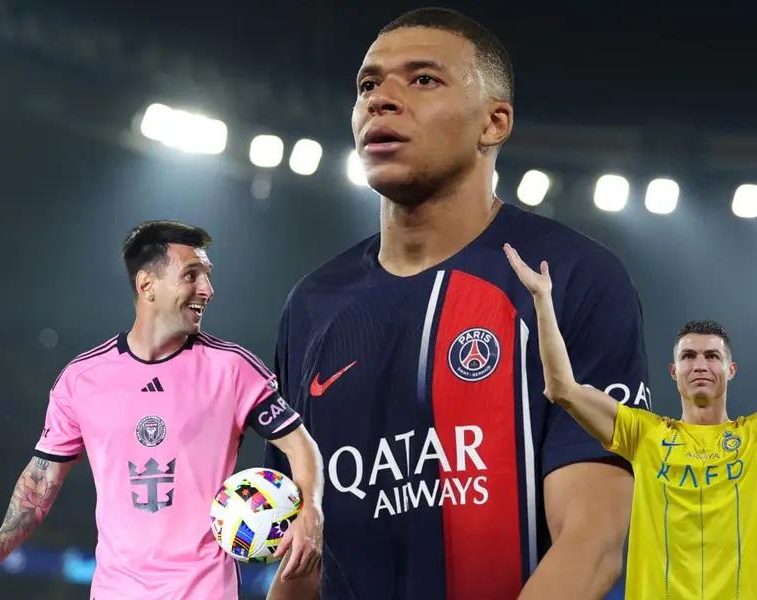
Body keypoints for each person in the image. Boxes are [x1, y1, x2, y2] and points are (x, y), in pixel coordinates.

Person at [265, 8, 651, 600]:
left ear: (494, 123)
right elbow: (300, 561)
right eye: (368, 84)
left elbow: (593, 543)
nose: (381, 100)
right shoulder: (313, 306)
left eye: (423, 80)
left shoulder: (572, 278)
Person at [504, 239, 757, 599]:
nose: (700, 364)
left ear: (731, 369)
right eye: (689, 356)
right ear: (674, 371)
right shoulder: (642, 435)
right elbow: (562, 389)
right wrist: (543, 300)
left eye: (712, 356)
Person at [0, 221, 324, 600]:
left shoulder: (231, 368)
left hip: (204, 592)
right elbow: (41, 480)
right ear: (146, 285)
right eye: (191, 275)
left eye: (208, 277)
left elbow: (301, 446)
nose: (208, 290)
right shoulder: (82, 379)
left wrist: (311, 509)